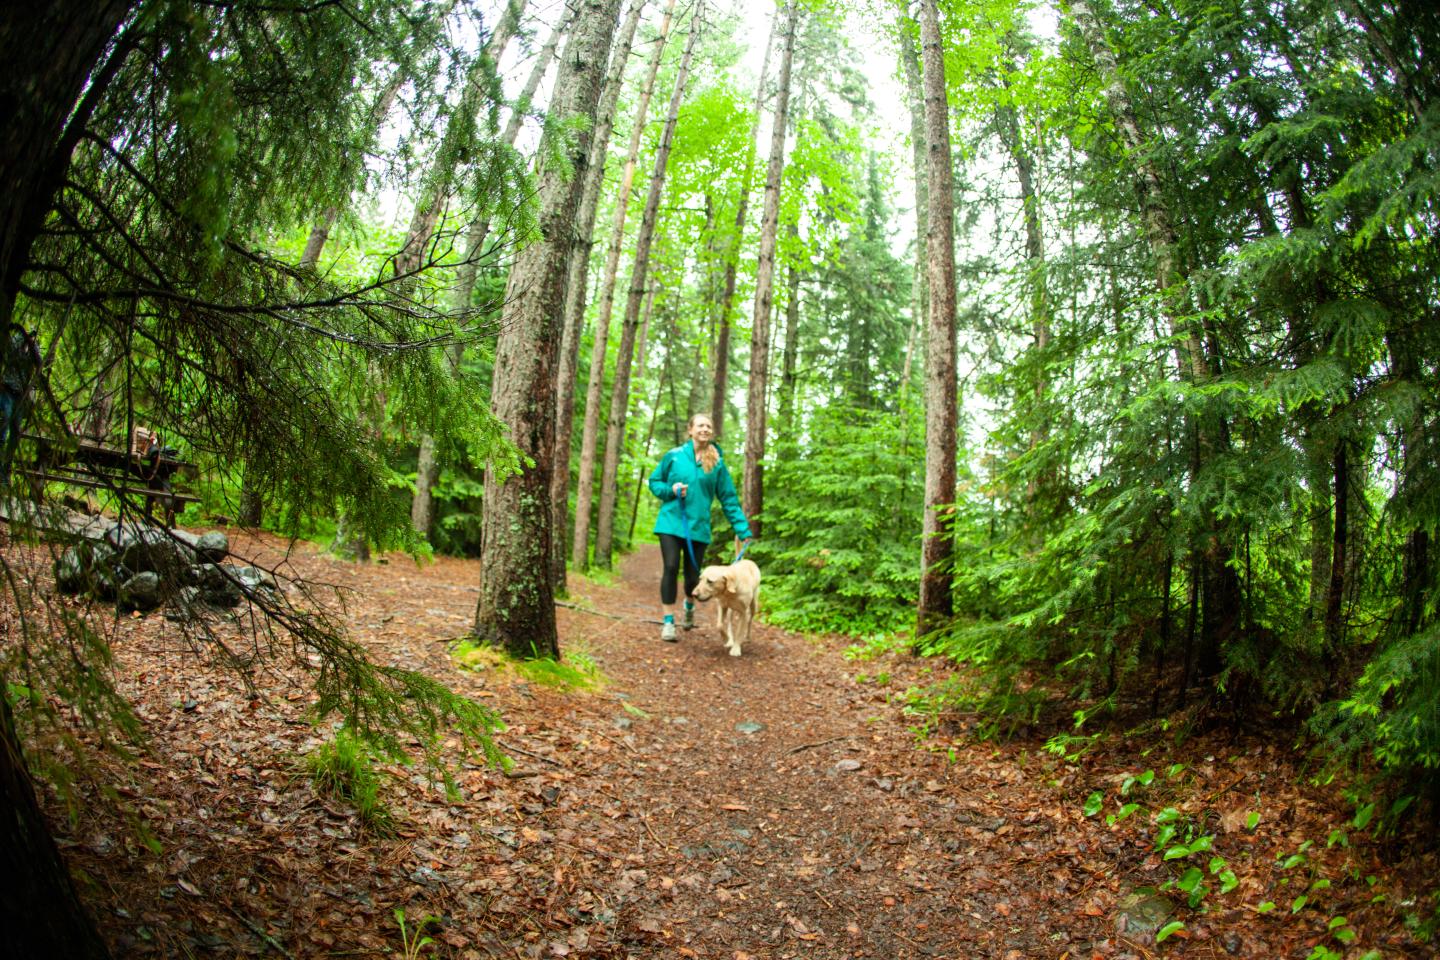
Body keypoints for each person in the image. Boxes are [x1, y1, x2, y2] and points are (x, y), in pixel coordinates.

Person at [648, 413, 753, 642]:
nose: (704, 429)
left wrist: (742, 529)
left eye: (708, 425)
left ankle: (689, 604)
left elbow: (728, 498)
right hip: (671, 522)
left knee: (692, 576)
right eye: (700, 425)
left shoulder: (716, 463)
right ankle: (668, 622)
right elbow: (654, 482)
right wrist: (671, 490)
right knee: (671, 566)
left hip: (698, 528)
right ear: (690, 430)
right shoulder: (674, 456)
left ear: (711, 432)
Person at [0, 324, 40, 488]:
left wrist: (32, 347)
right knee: (3, 429)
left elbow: (39, 363)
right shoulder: (15, 342)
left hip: (21, 396)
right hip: (7, 391)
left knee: (15, 434)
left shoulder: (34, 348)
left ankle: (6, 470)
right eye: (28, 335)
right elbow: (7, 354)